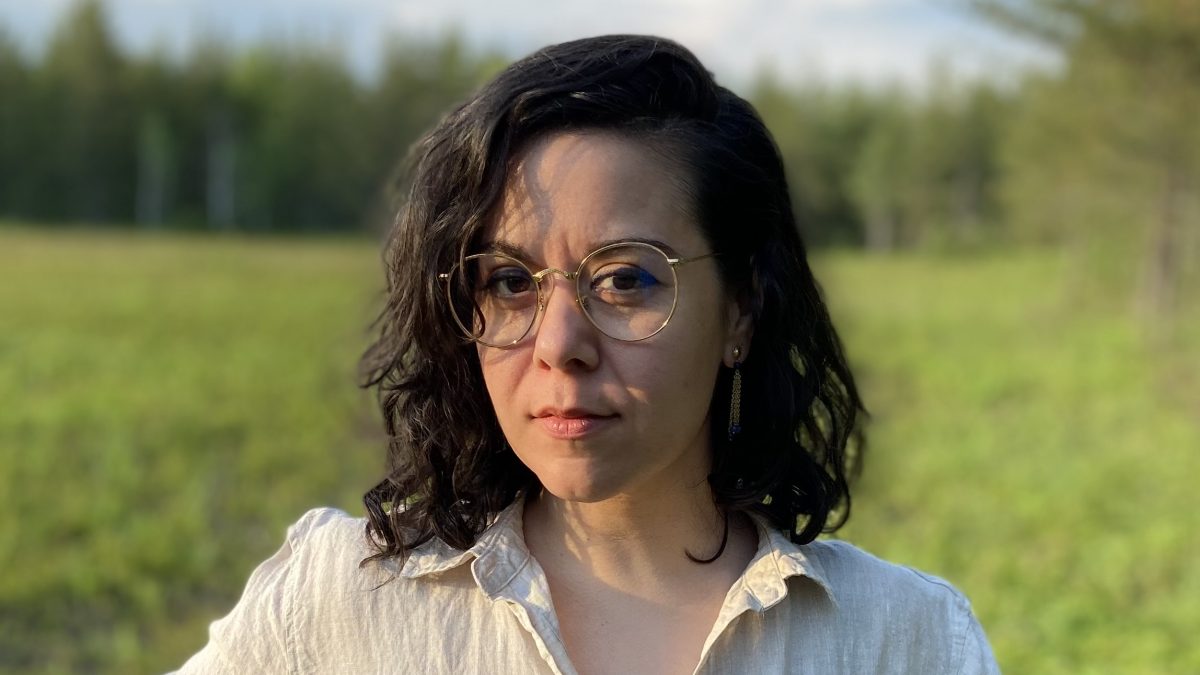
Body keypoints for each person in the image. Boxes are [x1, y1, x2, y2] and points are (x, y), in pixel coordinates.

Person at [173, 35, 999, 674]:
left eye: (626, 279)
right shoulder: (337, 607)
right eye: (508, 281)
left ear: (743, 306)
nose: (559, 344)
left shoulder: (906, 638)